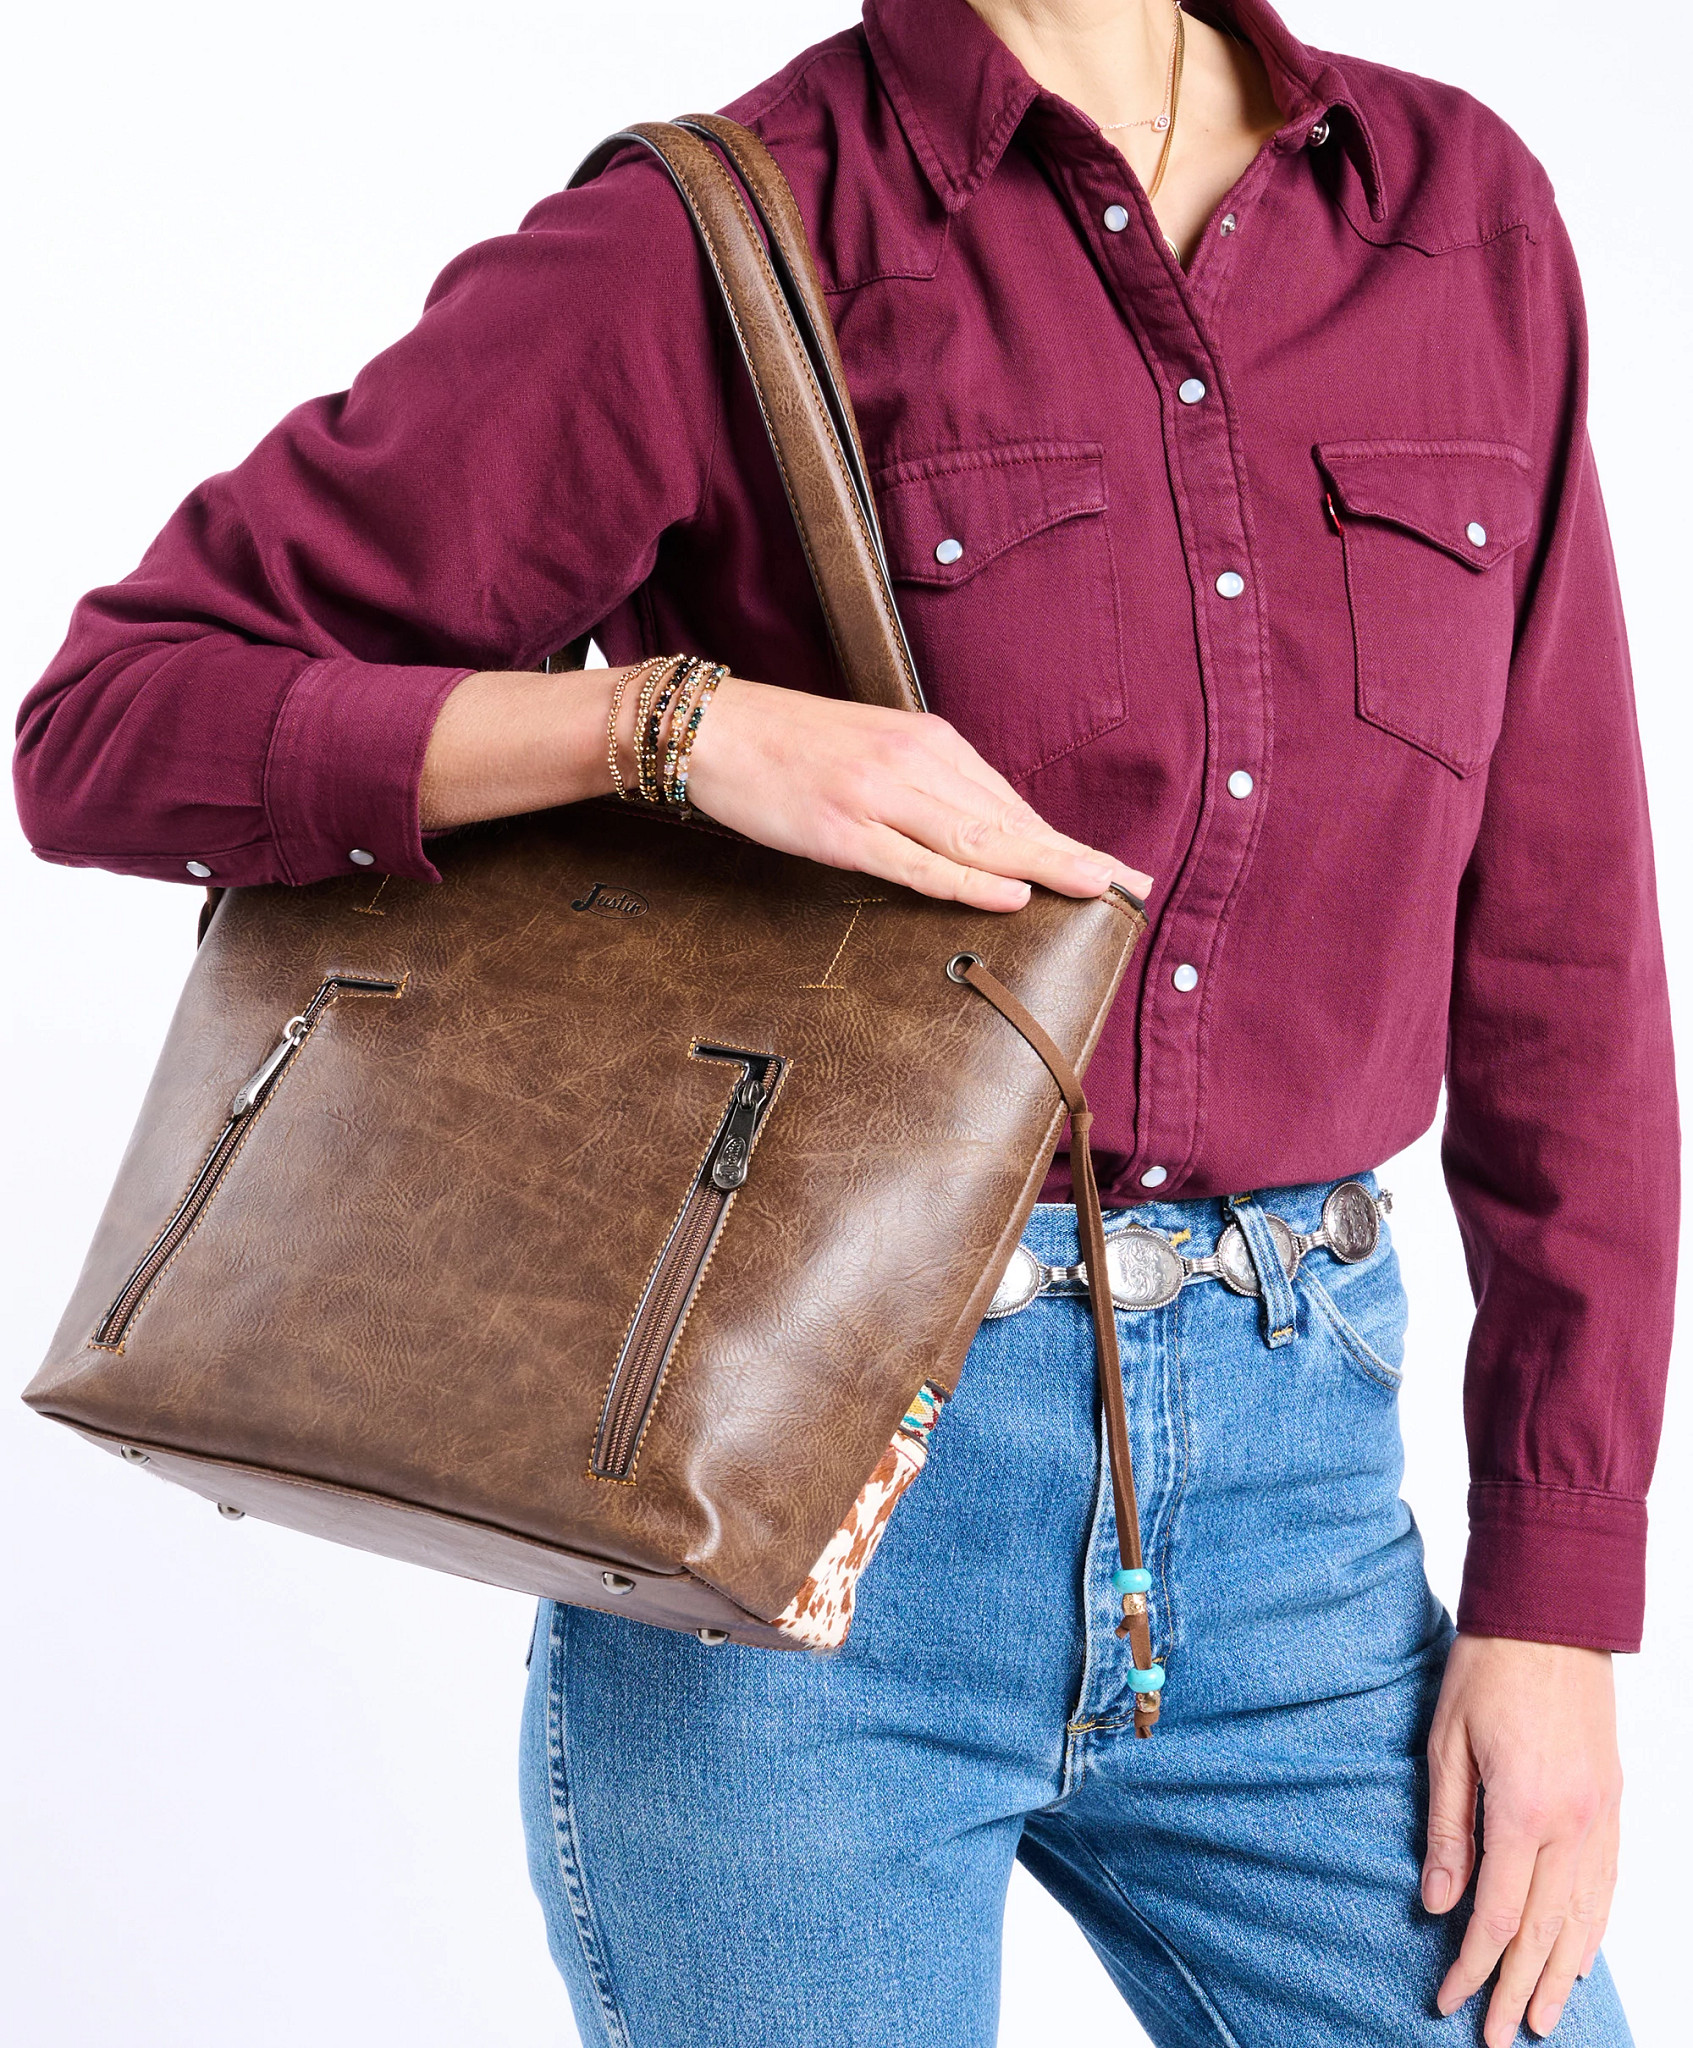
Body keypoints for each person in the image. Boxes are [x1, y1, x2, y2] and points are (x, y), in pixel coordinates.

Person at [12, 1, 1673, 2042]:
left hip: (1299, 1508)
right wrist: (667, 728)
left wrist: (1556, 1598)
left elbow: (1565, 956)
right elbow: (112, 724)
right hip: (779, 1534)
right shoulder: (723, 233)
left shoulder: (1449, 215)